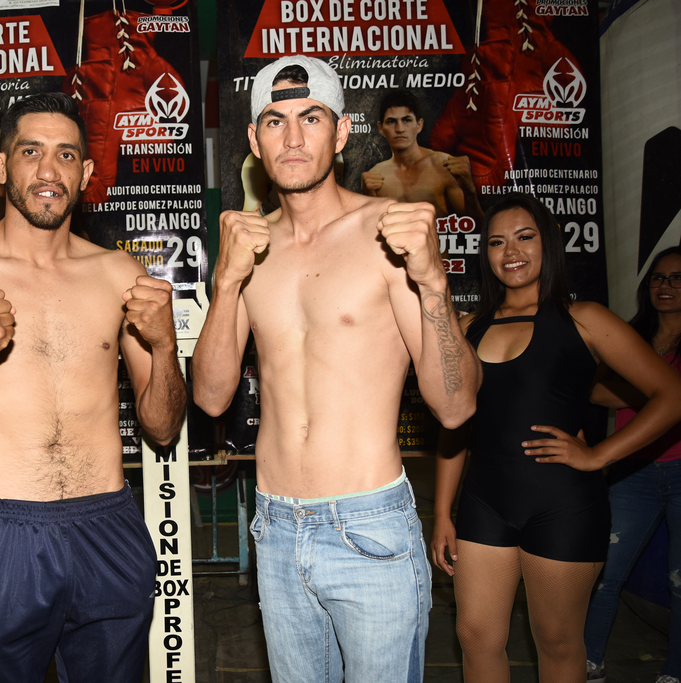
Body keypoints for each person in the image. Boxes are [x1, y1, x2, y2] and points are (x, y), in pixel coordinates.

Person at [192, 55, 482, 682]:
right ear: (254, 141)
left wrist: (434, 284)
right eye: (275, 121)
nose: (293, 138)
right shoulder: (250, 248)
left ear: (342, 132)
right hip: (274, 527)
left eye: (312, 117)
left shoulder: (387, 235)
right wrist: (226, 284)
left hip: (368, 525)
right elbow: (212, 397)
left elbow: (456, 406)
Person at [0, 92, 187, 682]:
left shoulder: (119, 274)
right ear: (0, 164)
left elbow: (163, 426)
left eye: (66, 155)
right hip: (3, 533)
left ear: (86, 173)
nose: (49, 170)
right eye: (31, 152)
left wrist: (166, 348)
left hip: (108, 525)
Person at [430, 196, 681, 683]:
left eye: (524, 237)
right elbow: (454, 426)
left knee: (558, 641)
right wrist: (442, 512)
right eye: (497, 242)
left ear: (548, 245)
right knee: (476, 636)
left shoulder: (584, 319)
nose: (511, 252)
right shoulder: (468, 327)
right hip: (484, 504)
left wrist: (599, 455)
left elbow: (670, 395)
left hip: (564, 508)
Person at [584, 246, 681, 683]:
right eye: (658, 278)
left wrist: (651, 394)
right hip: (631, 472)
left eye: (677, 278)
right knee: (605, 574)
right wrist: (661, 394)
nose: (666, 286)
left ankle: (675, 671)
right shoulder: (628, 336)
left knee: (680, 581)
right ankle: (590, 664)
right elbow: (595, 391)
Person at [361, 90, 483, 223]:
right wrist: (368, 196)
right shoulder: (376, 176)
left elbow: (475, 226)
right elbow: (370, 229)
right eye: (391, 122)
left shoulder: (444, 166)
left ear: (419, 125)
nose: (400, 129)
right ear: (381, 128)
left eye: (407, 120)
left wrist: (469, 189)